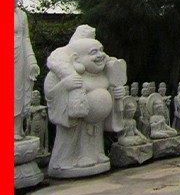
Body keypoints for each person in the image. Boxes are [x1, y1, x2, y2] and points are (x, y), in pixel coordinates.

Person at [44, 36, 126, 178]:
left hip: (96, 121)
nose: (101, 55)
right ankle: (67, 160)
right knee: (74, 135)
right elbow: (50, 95)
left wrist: (117, 94)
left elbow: (110, 90)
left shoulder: (102, 74)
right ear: (76, 59)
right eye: (94, 52)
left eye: (101, 50)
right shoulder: (60, 75)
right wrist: (65, 85)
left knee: (94, 134)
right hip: (74, 122)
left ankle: (94, 154)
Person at [14, 0, 39, 140]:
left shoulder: (22, 15)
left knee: (17, 92)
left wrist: (31, 60)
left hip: (19, 57)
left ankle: (16, 128)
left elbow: (25, 38)